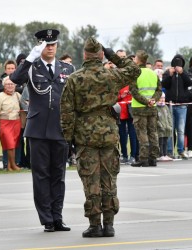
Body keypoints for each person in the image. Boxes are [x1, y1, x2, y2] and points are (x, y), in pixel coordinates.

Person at [60, 37, 141, 237]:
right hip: (108, 133)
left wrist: (68, 138)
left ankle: (95, 224)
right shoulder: (112, 75)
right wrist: (114, 56)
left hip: (85, 135)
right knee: (109, 180)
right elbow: (134, 70)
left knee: (91, 181)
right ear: (102, 54)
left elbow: (67, 112)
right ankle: (110, 224)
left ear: (84, 55)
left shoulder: (75, 79)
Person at [10, 29, 75, 232]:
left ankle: (57, 216)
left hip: (60, 128)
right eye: (46, 45)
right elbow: (15, 79)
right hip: (38, 130)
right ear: (40, 46)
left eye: (53, 44)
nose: (50, 48)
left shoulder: (67, 68)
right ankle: (46, 218)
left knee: (59, 175)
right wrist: (30, 57)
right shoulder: (31, 67)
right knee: (41, 176)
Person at [130, 50, 162, 167]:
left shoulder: (135, 73)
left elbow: (134, 91)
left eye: (135, 59)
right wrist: (153, 100)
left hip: (139, 108)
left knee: (142, 133)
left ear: (138, 60)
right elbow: (159, 89)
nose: (133, 60)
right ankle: (153, 158)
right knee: (153, 132)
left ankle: (143, 158)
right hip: (152, 108)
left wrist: (145, 101)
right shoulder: (153, 73)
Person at [161, 54, 192, 159]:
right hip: (170, 105)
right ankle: (170, 151)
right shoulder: (167, 73)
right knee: (171, 129)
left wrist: (182, 73)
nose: (177, 65)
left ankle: (181, 150)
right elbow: (164, 85)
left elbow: (189, 83)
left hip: (182, 105)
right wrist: (170, 75)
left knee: (180, 129)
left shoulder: (186, 73)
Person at [0, 76, 21, 171]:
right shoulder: (0, 96)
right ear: (4, 86)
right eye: (8, 84)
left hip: (16, 122)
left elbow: (24, 105)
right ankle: (13, 165)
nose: (10, 86)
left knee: (13, 144)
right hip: (5, 123)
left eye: (12, 84)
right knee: (9, 145)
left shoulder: (17, 95)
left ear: (15, 85)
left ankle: (9, 166)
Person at [156, 92, 173, 161]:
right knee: (161, 142)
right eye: (160, 98)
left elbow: (169, 116)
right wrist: (160, 125)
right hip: (160, 129)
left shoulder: (166, 107)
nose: (162, 99)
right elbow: (156, 119)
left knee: (165, 141)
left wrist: (170, 125)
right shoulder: (156, 108)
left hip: (166, 128)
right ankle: (161, 154)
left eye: (163, 98)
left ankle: (165, 154)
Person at [185, 56, 192, 158]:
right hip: (188, 105)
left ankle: (191, 148)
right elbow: (188, 90)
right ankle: (189, 148)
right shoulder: (188, 73)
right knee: (189, 128)